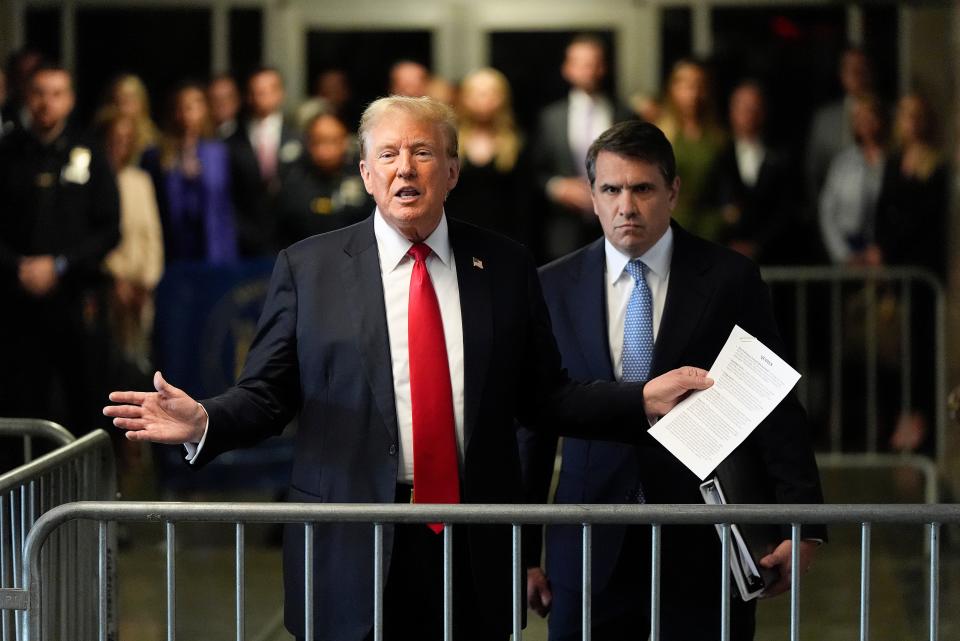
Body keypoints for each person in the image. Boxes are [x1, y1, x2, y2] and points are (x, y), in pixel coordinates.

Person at [104, 96, 713, 641]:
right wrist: (206, 419)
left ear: (451, 171)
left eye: (423, 152)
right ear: (366, 174)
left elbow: (546, 397)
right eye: (388, 154)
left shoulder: (503, 266)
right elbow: (268, 394)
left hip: (473, 543)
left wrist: (639, 402)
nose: (405, 168)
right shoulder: (309, 268)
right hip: (352, 537)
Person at [519, 120, 825, 641]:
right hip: (589, 545)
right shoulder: (552, 285)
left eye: (643, 189)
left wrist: (802, 523)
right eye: (611, 190)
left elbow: (773, 405)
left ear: (673, 191)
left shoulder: (729, 278)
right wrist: (522, 552)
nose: (626, 206)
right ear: (591, 196)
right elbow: (533, 423)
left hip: (703, 545)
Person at [0, 63, 120, 435]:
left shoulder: (91, 152)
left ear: (69, 100)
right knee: (22, 403)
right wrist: (17, 267)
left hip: (75, 298)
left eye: (56, 94)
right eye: (38, 93)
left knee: (87, 403)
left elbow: (110, 228)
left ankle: (90, 492)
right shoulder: (7, 153)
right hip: (17, 300)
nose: (45, 103)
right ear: (26, 97)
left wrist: (61, 265)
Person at [872, 92, 949, 454]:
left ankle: (920, 418)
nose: (911, 122)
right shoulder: (893, 160)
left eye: (917, 115)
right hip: (896, 269)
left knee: (922, 348)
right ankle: (898, 416)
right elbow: (883, 210)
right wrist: (882, 254)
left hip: (923, 269)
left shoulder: (938, 165)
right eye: (905, 115)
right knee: (893, 350)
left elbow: (930, 220)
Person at [533, 34, 634, 259]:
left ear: (604, 67)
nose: (588, 69)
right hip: (564, 229)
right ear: (567, 68)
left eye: (594, 62)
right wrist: (557, 187)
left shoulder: (624, 114)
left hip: (618, 223)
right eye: (581, 62)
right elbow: (534, 172)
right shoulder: (550, 117)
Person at [141, 82, 237, 264]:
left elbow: (225, 208)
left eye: (194, 105)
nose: (188, 113)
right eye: (182, 106)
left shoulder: (218, 153)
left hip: (212, 247)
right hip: (172, 247)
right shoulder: (157, 155)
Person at [704, 81, 800, 263]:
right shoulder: (719, 156)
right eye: (743, 107)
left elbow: (787, 208)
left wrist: (758, 244)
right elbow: (709, 203)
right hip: (723, 258)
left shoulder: (782, 156)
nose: (749, 113)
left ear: (764, 112)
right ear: (731, 112)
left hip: (773, 259)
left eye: (755, 107)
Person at [98, 108, 164, 371]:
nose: (120, 145)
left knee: (139, 365)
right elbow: (99, 237)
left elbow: (153, 235)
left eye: (127, 138)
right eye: (115, 138)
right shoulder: (96, 180)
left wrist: (147, 281)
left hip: (141, 290)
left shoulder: (140, 180)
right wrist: (117, 278)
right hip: (108, 286)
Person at [444, 67, 531, 244]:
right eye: (477, 93)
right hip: (457, 237)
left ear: (504, 98)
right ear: (464, 97)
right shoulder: (449, 142)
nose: (484, 100)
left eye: (492, 93)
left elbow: (524, 204)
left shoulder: (517, 143)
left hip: (505, 237)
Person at [227, 66, 301, 256]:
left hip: (291, 237)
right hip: (246, 240)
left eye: (267, 91)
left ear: (280, 93)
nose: (260, 97)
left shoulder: (298, 137)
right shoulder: (232, 141)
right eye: (255, 91)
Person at [656, 58, 726, 242]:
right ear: (672, 88)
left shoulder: (718, 136)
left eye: (698, 85)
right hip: (668, 227)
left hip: (711, 228)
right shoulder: (661, 133)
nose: (693, 93)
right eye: (685, 85)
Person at [277, 112, 372, 246]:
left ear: (344, 141)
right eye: (318, 141)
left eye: (332, 141)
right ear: (309, 144)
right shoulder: (293, 177)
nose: (325, 150)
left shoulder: (364, 175)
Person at [818, 94, 886, 266]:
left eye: (870, 116)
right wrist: (843, 254)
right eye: (859, 118)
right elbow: (827, 210)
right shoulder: (843, 162)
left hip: (880, 251)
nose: (865, 123)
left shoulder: (892, 161)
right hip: (847, 247)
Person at [806, 47, 874, 203]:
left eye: (862, 69)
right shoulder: (824, 120)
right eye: (851, 70)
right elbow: (814, 173)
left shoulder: (890, 116)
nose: (857, 75)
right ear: (842, 75)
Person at [99, 74, 159, 163]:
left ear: (141, 102)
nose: (123, 105)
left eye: (129, 98)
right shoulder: (101, 133)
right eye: (119, 98)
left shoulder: (152, 144)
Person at [207, 73, 242, 139]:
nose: (221, 104)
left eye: (227, 98)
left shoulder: (249, 135)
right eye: (215, 99)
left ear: (237, 101)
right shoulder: (201, 136)